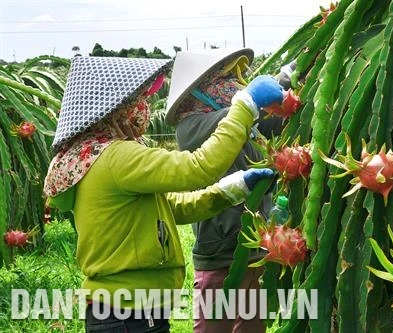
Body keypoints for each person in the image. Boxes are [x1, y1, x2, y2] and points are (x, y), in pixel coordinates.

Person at [43, 55, 284, 333]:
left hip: (123, 311)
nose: (143, 108)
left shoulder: (88, 159)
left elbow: (172, 207)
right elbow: (198, 167)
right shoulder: (116, 157)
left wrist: (232, 189)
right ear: (116, 108)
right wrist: (245, 105)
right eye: (137, 100)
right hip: (130, 316)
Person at [166, 48, 294, 333]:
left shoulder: (241, 119)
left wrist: (294, 80)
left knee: (251, 327)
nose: (233, 86)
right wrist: (281, 78)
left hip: (255, 244)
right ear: (199, 91)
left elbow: (268, 116)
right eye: (224, 80)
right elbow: (239, 113)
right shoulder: (192, 126)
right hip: (218, 250)